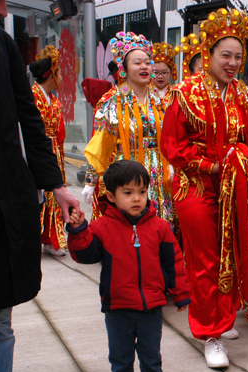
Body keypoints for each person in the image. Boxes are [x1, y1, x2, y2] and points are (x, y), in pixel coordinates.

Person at [0, 0, 79, 372]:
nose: (3, 10)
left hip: (0, 199)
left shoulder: (1, 46)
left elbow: (29, 120)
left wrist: (57, 187)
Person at [160, 8, 248, 368]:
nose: (232, 63)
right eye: (225, 55)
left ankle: (222, 316)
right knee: (205, 259)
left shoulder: (243, 95)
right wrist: (211, 166)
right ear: (208, 55)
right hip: (195, 185)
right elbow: (173, 147)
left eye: (238, 57)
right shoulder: (184, 93)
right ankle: (209, 333)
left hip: (234, 186)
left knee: (232, 250)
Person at [67, 160, 190, 372]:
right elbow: (85, 255)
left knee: (151, 359)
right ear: (111, 196)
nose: (137, 198)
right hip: (118, 309)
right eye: (128, 192)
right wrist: (78, 231)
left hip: (151, 309)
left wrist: (180, 294)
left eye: (142, 192)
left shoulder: (160, 227)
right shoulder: (101, 228)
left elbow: (174, 263)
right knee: (120, 359)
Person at [82, 32, 174, 229]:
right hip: (128, 173)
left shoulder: (163, 101)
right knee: (129, 229)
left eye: (148, 63)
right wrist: (91, 180)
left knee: (159, 228)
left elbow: (173, 137)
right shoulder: (112, 102)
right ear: (124, 69)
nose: (144, 67)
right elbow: (100, 144)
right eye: (137, 62)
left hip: (159, 175)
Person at [30, 45, 67, 257]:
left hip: (55, 152)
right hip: (41, 150)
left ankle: (50, 238)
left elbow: (60, 132)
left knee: (53, 195)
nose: (62, 77)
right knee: (40, 196)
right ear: (51, 75)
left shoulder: (53, 100)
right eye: (60, 73)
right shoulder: (33, 97)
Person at [151, 42, 180, 108]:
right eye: (156, 73)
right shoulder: (145, 92)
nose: (160, 76)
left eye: (164, 73)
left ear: (170, 73)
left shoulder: (176, 93)